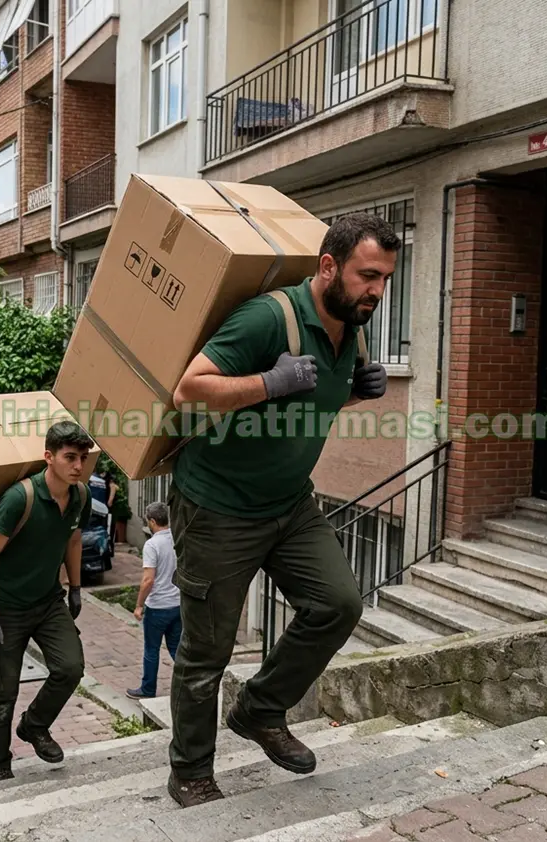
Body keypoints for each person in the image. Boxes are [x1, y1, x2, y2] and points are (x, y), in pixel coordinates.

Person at [163, 213, 398, 807]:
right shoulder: (270, 317)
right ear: (328, 267)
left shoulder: (353, 328)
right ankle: (190, 772)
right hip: (217, 507)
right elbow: (189, 388)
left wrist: (351, 390)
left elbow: (307, 403)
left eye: (386, 279)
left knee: (338, 604)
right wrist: (269, 381)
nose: (376, 290)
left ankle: (259, 708)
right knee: (205, 652)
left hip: (290, 503)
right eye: (367, 275)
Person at [0, 420, 94, 783]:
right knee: (3, 692)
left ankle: (34, 725)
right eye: (70, 457)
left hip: (47, 601)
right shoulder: (19, 498)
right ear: (49, 457)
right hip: (7, 609)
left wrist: (75, 587)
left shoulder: (81, 495)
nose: (78, 465)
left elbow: (73, 540)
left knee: (70, 668)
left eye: (83, 458)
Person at [126, 501, 181, 700]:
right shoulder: (177, 539)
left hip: (158, 606)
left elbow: (148, 579)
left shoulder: (152, 544)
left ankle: (148, 688)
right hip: (177, 603)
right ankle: (189, 684)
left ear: (151, 521)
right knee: (177, 648)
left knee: (151, 649)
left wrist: (139, 604)